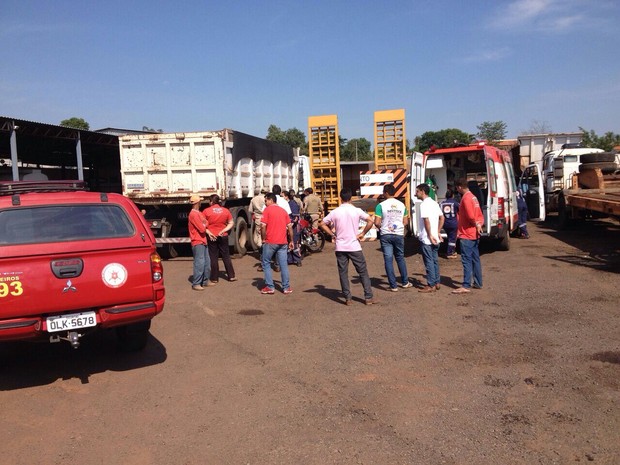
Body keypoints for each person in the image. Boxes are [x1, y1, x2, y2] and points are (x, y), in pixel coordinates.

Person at [319, 188, 375, 306]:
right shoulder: (356, 210)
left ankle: (348, 298)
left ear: (340, 198)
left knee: (343, 273)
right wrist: (362, 233)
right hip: (354, 246)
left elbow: (322, 224)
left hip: (340, 246)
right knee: (362, 272)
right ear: (351, 198)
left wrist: (332, 234)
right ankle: (368, 297)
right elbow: (370, 221)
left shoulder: (335, 212)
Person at [374, 183, 412, 291]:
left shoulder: (380, 206)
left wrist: (382, 227)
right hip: (399, 234)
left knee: (388, 259)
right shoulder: (402, 205)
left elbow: (376, 222)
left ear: (386, 193)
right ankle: (405, 282)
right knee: (400, 257)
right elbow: (405, 221)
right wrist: (397, 227)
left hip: (385, 234)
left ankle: (393, 286)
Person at [452, 178, 484, 294]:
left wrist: (475, 224)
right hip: (474, 233)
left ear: (460, 187)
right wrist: (479, 225)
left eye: (457, 187)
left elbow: (471, 216)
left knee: (466, 260)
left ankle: (466, 285)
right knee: (475, 259)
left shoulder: (466, 198)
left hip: (466, 234)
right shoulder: (474, 197)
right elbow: (479, 214)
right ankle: (478, 282)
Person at [260, 193, 294, 294]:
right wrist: (291, 240)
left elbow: (262, 226)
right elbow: (290, 228)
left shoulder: (267, 210)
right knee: (283, 264)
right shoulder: (283, 211)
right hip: (283, 242)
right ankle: (286, 287)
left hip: (270, 241)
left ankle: (270, 286)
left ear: (271, 200)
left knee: (266, 262)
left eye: (266, 201)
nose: (265, 203)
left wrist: (263, 238)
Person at [415, 183, 444, 293]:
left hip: (427, 238)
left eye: (417, 191)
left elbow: (426, 220)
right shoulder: (434, 203)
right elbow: (442, 218)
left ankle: (431, 284)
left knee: (429, 262)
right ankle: (437, 282)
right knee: (435, 260)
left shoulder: (424, 205)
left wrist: (430, 234)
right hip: (435, 237)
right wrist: (437, 231)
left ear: (422, 191)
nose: (416, 193)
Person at [203, 195, 236, 284]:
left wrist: (209, 233)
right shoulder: (225, 211)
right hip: (223, 235)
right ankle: (231, 276)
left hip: (212, 236)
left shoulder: (206, 211)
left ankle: (214, 278)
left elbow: (202, 226)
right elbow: (231, 222)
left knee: (213, 257)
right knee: (226, 255)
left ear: (211, 202)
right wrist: (224, 230)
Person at [188, 194, 210, 291]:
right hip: (197, 241)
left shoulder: (198, 213)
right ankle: (196, 283)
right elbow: (202, 228)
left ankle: (204, 281)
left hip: (203, 240)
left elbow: (206, 222)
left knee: (206, 262)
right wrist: (204, 224)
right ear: (197, 202)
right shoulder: (193, 214)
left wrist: (204, 224)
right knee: (199, 262)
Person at [282, 190, 302, 266]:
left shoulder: (292, 204)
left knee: (295, 243)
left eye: (282, 196)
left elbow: (295, 218)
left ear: (286, 196)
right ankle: (289, 259)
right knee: (287, 243)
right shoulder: (285, 204)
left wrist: (290, 225)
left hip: (294, 227)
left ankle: (297, 260)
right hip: (288, 227)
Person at [440, 189, 460, 258]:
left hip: (445, 224)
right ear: (453, 195)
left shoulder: (441, 203)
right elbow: (460, 210)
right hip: (453, 223)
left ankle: (452, 251)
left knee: (450, 237)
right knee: (452, 238)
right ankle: (449, 253)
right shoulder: (455, 203)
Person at [250, 189, 267, 270]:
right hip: (266, 220)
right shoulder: (267, 199)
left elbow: (250, 211)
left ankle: (262, 256)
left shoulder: (254, 199)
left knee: (259, 238)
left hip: (258, 220)